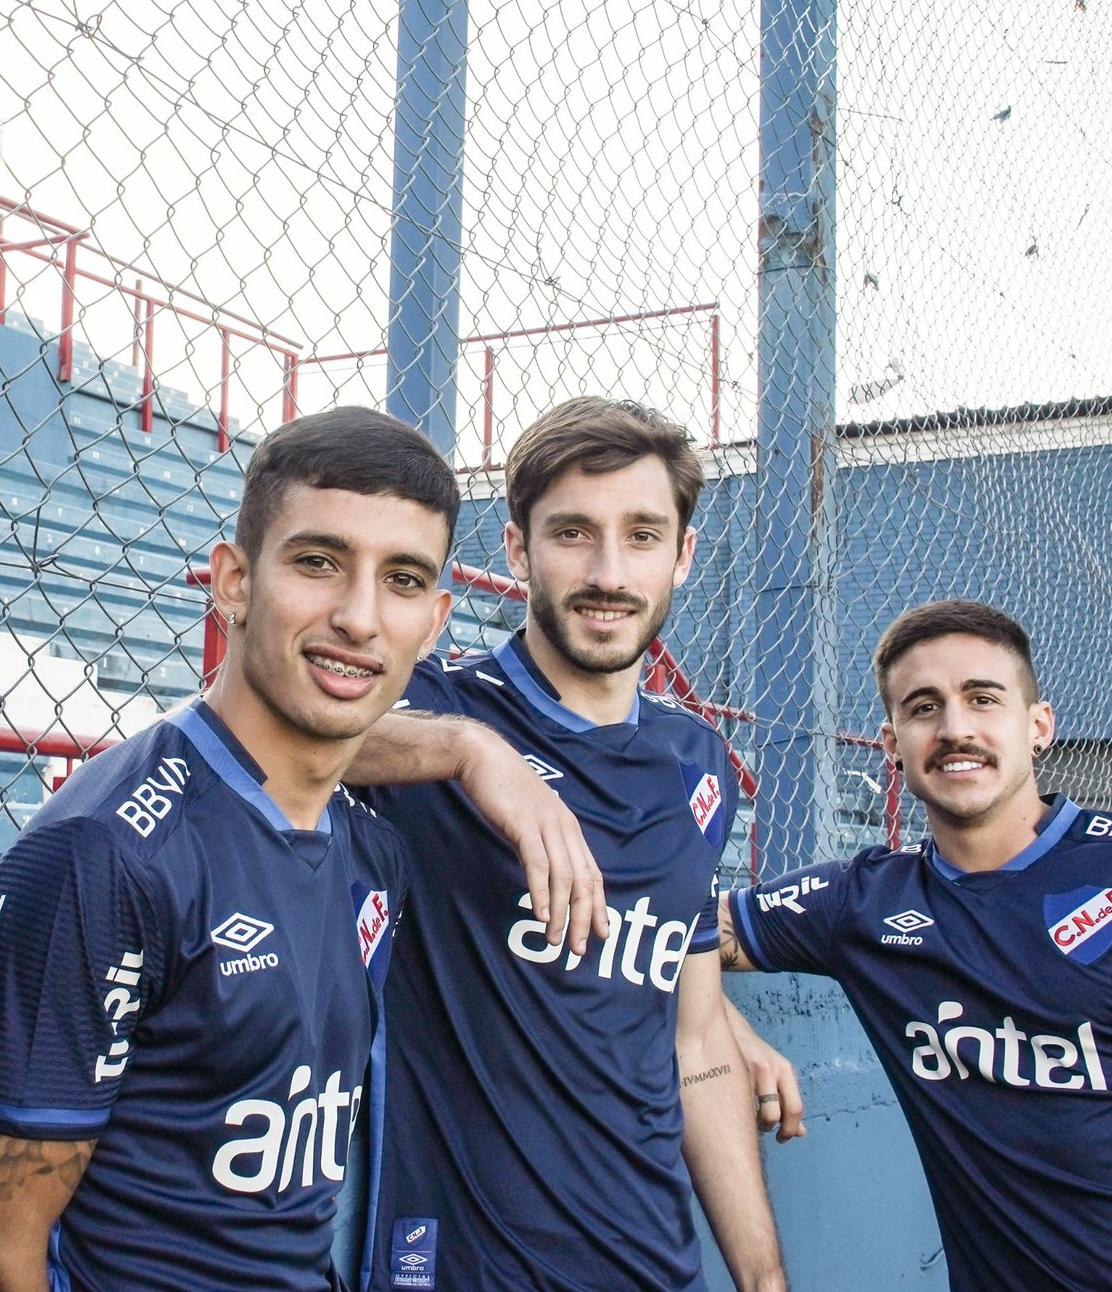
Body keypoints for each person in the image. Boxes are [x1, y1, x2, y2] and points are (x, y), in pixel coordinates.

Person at [0, 407, 607, 1292]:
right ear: (235, 581)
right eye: (319, 561)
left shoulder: (370, 850)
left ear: (437, 619)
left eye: (402, 580)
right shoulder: (106, 856)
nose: (360, 618)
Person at [718, 599, 1112, 1292]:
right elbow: (679, 932)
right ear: (891, 745)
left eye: (982, 699)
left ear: (1039, 727)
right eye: (923, 708)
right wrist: (731, 1029)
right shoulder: (862, 902)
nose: (955, 728)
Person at [337, 396, 788, 1291]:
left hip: (655, 1261)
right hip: (465, 1262)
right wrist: (471, 755)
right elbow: (278, 726)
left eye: (643, 534)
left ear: (684, 555)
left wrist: (765, 1277)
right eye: (574, 533)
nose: (610, 571)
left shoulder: (696, 763)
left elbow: (694, 1040)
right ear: (518, 549)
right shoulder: (444, 713)